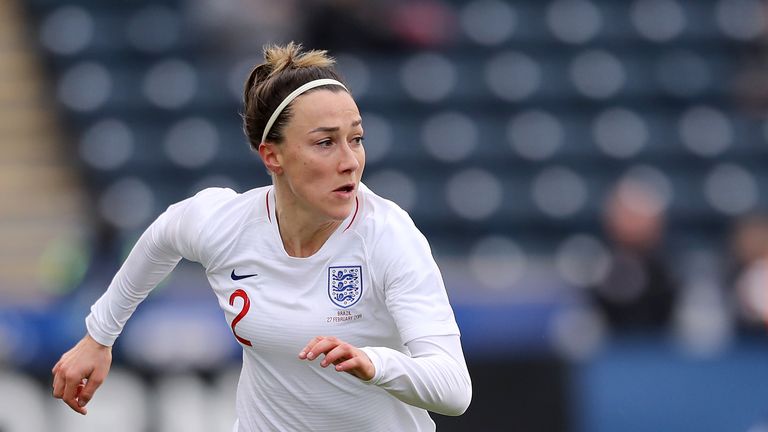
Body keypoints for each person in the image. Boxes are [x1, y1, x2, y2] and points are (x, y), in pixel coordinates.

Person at [51, 42, 472, 431]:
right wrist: (98, 337)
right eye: (325, 142)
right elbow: (162, 238)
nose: (350, 161)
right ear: (272, 155)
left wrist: (375, 364)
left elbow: (454, 389)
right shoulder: (227, 224)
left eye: (356, 139)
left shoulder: (388, 237)